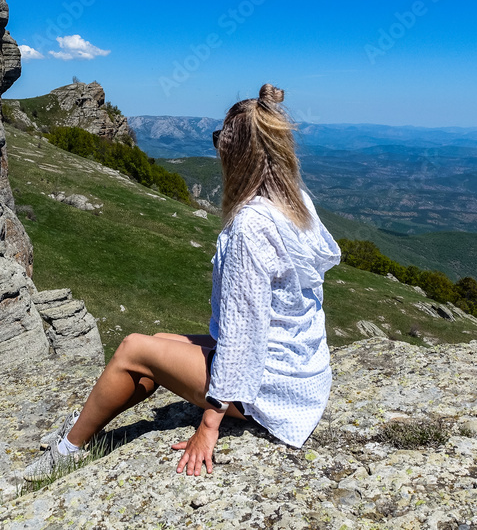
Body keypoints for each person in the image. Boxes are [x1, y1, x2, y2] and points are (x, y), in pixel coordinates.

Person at [22, 84, 341, 481]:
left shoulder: (250, 227)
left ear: (235, 152)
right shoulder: (296, 202)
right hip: (303, 373)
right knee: (159, 340)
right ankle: (90, 420)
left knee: (133, 348)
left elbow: (243, 335)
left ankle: (67, 451)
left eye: (219, 139)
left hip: (272, 391)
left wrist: (208, 426)